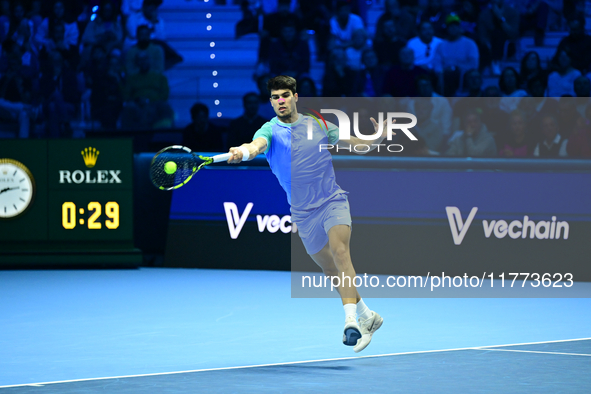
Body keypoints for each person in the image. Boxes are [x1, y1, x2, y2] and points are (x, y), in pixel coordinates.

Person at [226, 75, 384, 353]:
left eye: (285, 95)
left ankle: (351, 322)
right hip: (302, 212)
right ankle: (367, 315)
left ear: (295, 97)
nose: (280, 101)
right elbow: (255, 147)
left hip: (332, 201)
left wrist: (376, 138)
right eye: (275, 97)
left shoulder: (319, 124)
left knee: (341, 253)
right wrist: (243, 150)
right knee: (330, 269)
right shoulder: (269, 130)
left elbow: (355, 144)